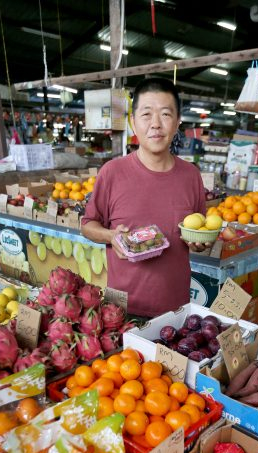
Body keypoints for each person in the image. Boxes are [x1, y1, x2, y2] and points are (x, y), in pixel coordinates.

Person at [81, 77, 209, 318]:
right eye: (147, 114)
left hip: (175, 308)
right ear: (132, 122)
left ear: (177, 122)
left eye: (165, 115)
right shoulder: (112, 172)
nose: (156, 124)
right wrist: (111, 236)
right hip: (122, 309)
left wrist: (199, 243)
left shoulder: (191, 176)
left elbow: (197, 232)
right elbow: (88, 225)